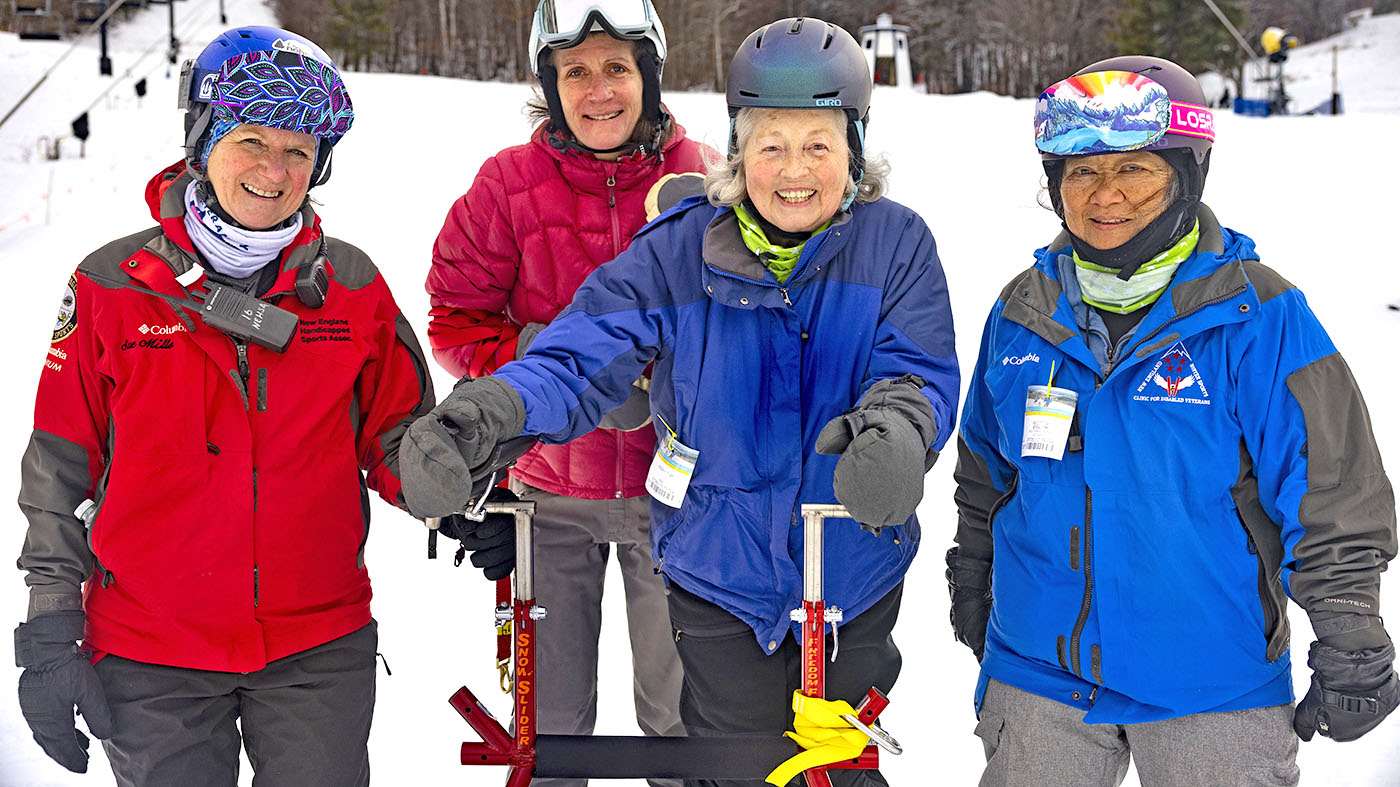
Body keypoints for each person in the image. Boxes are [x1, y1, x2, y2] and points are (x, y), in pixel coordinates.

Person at [403, 17, 959, 787]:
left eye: (818, 144)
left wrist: (899, 429)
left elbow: (916, 365)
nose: (793, 170)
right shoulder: (680, 247)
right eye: (770, 144)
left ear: (855, 148)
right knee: (732, 764)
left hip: (848, 572)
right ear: (738, 148)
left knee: (834, 769)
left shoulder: (895, 243)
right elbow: (581, 353)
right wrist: (496, 410)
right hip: (717, 578)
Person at [948, 55, 1398, 786]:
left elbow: (1331, 484)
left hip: (1211, 676)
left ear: (1187, 176)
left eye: (1134, 170)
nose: (1105, 197)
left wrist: (1348, 623)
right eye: (1081, 173)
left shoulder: (1260, 314)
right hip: (1039, 673)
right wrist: (971, 571)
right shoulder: (1021, 312)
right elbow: (985, 474)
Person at [14, 26, 435, 786]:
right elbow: (61, 469)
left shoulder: (352, 287)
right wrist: (49, 629)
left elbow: (402, 443)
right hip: (151, 651)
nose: (275, 171)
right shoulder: (112, 287)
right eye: (251, 140)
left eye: (300, 150)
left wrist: (464, 484)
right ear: (203, 140)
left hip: (317, 648)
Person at [423, 2, 715, 782]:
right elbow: (453, 317)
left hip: (679, 497)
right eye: (575, 71)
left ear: (648, 76)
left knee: (684, 717)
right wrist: (543, 362)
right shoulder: (509, 185)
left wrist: (668, 374)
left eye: (617, 67)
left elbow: (751, 325)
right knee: (547, 726)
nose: (599, 91)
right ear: (550, 86)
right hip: (548, 496)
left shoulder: (707, 177)